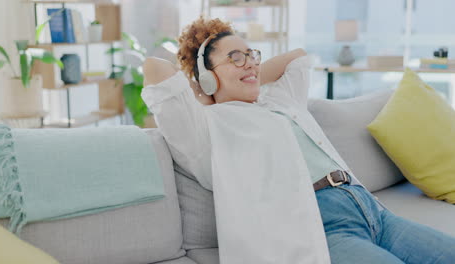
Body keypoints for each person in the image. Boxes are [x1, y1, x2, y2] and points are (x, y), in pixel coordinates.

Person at [141, 17, 455, 263]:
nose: (251, 62)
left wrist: (247, 73)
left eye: (252, 56)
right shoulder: (207, 127)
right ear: (207, 75)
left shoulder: (278, 100)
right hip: (323, 228)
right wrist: (205, 90)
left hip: (373, 209)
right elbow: (155, 69)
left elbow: (299, 58)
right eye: (235, 58)